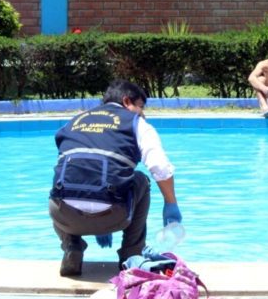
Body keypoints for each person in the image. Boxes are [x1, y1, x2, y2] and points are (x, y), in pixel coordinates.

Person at [49, 79, 182, 277]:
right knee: (141, 180)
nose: (143, 113)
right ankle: (131, 254)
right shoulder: (136, 124)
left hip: (65, 216)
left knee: (60, 181)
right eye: (140, 106)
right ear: (127, 101)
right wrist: (171, 203)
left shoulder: (75, 121)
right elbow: (160, 167)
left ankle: (72, 247)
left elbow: (80, 168)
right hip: (114, 214)